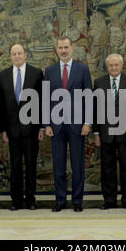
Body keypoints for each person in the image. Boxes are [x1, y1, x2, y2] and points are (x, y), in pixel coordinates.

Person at [44, 36, 92, 212]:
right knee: (58, 165)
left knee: (78, 164)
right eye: (60, 48)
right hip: (56, 125)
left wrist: (87, 122)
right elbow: (46, 99)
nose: (63, 50)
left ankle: (77, 201)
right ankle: (60, 200)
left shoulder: (83, 70)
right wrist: (46, 124)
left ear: (72, 48)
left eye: (66, 47)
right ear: (56, 50)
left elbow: (89, 97)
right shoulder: (50, 71)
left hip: (78, 125)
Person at [0, 43, 44, 211]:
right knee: (15, 166)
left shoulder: (36, 73)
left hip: (32, 129)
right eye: (13, 54)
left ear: (25, 55)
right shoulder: (3, 76)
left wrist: (42, 127)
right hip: (12, 130)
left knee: (31, 165)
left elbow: (43, 101)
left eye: (19, 53)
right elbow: (1, 105)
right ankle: (16, 200)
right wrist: (3, 129)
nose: (16, 56)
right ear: (10, 56)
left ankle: (31, 199)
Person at [93, 54, 126, 210]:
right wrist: (96, 133)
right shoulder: (99, 82)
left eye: (116, 65)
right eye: (111, 65)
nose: (113, 68)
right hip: (106, 133)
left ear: (121, 65)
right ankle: (109, 200)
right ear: (107, 67)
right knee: (107, 168)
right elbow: (96, 110)